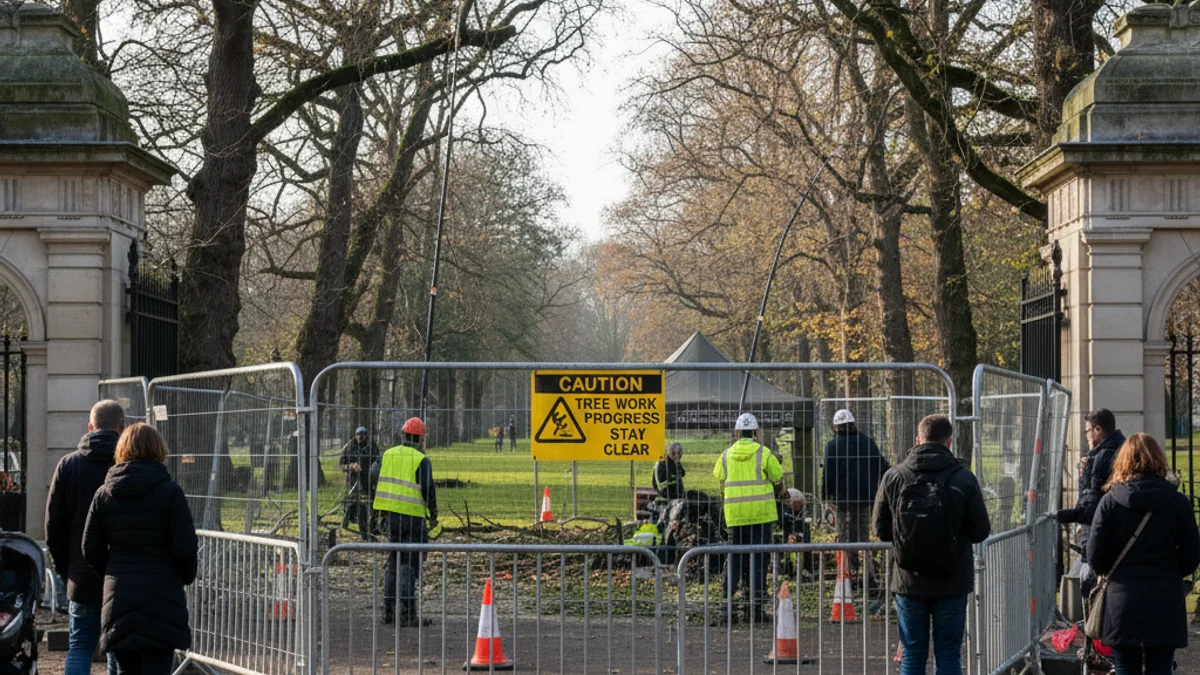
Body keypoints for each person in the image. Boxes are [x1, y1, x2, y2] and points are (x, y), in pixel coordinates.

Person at [872, 415, 990, 675]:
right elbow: (981, 530)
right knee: (948, 654)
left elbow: (880, 530)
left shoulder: (894, 476)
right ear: (949, 442)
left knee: (913, 654)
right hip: (952, 579)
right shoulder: (964, 478)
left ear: (918, 440)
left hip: (907, 579)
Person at [82, 423, 199, 675]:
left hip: (120, 592)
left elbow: (89, 547)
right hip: (162, 593)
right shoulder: (170, 492)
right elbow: (186, 546)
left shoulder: (104, 494)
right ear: (158, 449)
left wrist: (111, 571)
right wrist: (183, 576)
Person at [1087, 433, 1200, 675]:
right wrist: (1171, 569)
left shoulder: (1110, 502)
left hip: (1122, 597)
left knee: (1126, 667)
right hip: (1165, 595)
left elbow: (1096, 555)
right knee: (1161, 668)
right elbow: (1191, 557)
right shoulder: (1178, 503)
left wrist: (1111, 571)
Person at [45, 400, 124, 675]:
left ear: (90, 427)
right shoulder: (127, 465)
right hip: (121, 573)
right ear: (121, 427)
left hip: (80, 572)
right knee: (116, 646)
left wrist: (63, 569)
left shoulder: (68, 465)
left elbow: (54, 525)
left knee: (79, 645)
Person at [713, 412, 783, 622]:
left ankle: (727, 604)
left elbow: (718, 475)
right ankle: (756, 607)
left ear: (736, 432)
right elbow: (778, 476)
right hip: (761, 516)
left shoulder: (726, 455)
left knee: (735, 557)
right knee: (759, 559)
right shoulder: (764, 453)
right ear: (756, 432)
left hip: (735, 516)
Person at [372, 416, 438, 626]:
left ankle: (389, 611)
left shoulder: (387, 455)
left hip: (391, 517)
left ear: (403, 435)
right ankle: (408, 613)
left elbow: (373, 475)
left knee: (393, 562)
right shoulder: (421, 460)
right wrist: (433, 514)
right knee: (410, 564)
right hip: (413, 517)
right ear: (420, 439)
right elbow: (428, 489)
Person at [1056, 408, 1125, 594]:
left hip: (1098, 537)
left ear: (1098, 430)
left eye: (1087, 431)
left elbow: (1090, 507)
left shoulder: (1100, 457)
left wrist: (1061, 516)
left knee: (1091, 590)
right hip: (1120, 537)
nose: (1086, 436)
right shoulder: (1123, 450)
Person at [823, 409, 889, 580]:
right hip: (867, 498)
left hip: (843, 500)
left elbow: (828, 474)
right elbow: (882, 467)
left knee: (845, 537)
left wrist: (826, 496)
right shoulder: (867, 443)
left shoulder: (832, 445)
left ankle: (849, 573)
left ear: (836, 426)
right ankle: (867, 574)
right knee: (864, 536)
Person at [340, 427, 380, 538]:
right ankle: (359, 527)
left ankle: (373, 525)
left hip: (369, 479)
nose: (360, 438)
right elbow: (341, 465)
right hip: (354, 480)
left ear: (366, 436)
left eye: (362, 435)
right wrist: (351, 466)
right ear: (355, 435)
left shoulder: (372, 446)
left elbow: (378, 461)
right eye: (358, 435)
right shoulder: (349, 447)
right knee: (358, 503)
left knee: (373, 503)